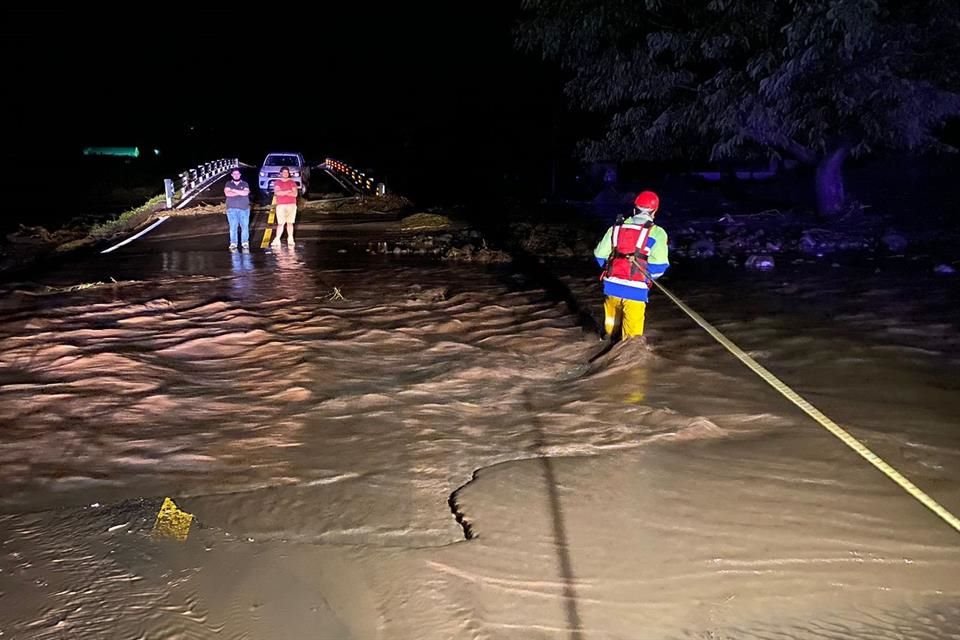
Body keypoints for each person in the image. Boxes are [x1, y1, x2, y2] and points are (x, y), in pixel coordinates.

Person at [593, 190, 670, 341]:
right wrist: (644, 277)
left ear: (635, 209)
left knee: (610, 328)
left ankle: (606, 341)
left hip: (611, 286)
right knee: (632, 341)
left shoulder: (615, 228)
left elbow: (600, 255)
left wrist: (614, 269)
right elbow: (660, 266)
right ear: (654, 212)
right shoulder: (657, 233)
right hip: (636, 292)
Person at [223, 168, 251, 250]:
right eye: (234, 174)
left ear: (240, 175)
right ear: (232, 175)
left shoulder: (245, 183)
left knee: (245, 226)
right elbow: (227, 194)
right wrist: (240, 192)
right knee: (233, 227)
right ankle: (233, 243)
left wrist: (234, 190)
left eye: (237, 174)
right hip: (231, 209)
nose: (236, 175)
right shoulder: (228, 184)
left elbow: (245, 193)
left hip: (244, 209)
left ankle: (245, 242)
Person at [272, 167, 298, 247]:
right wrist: (288, 191)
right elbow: (277, 193)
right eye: (284, 172)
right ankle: (277, 239)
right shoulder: (277, 182)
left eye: (287, 172)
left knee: (290, 223)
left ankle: (290, 238)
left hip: (292, 205)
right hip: (281, 205)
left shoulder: (292, 182)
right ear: (281, 173)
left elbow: (295, 194)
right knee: (280, 223)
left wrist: (283, 192)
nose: (286, 174)